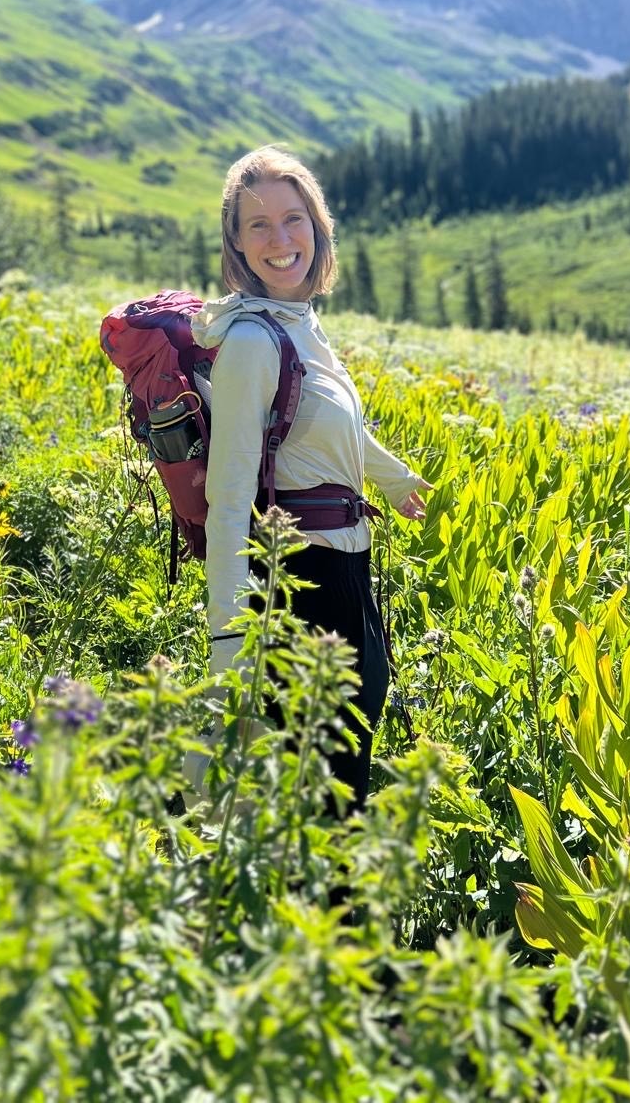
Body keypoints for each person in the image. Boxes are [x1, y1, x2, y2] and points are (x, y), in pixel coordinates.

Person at [188, 145, 429, 814]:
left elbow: (332, 424)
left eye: (292, 219)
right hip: (298, 582)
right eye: (257, 225)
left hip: (347, 571)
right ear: (236, 244)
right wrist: (229, 635)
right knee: (325, 791)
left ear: (317, 226)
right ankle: (331, 913)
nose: (280, 239)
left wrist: (391, 477)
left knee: (347, 757)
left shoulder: (302, 327)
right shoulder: (251, 344)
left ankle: (332, 904)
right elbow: (228, 498)